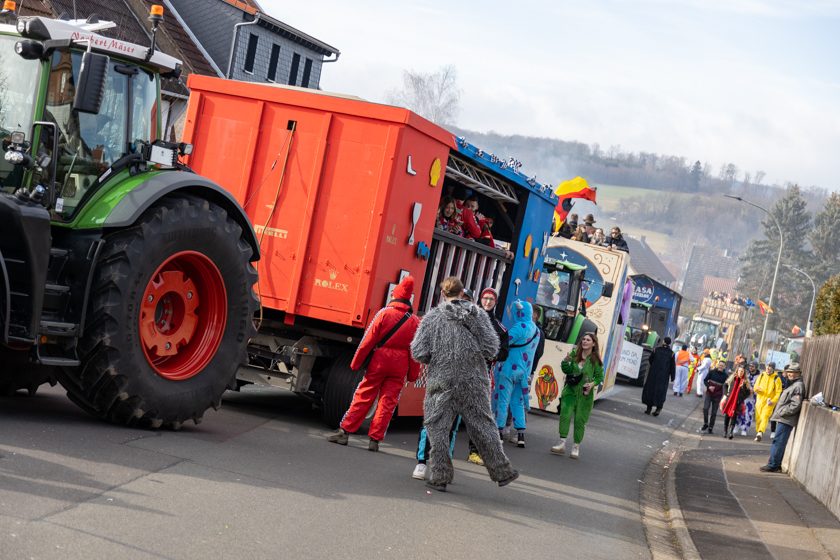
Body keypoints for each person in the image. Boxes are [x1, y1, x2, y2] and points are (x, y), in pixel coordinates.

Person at [410, 276, 518, 492]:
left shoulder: (432, 318)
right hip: (474, 379)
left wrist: (437, 357)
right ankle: (502, 470)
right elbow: (491, 348)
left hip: (441, 378)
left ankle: (440, 475)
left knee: (437, 426)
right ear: (462, 293)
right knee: (482, 424)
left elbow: (418, 351)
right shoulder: (477, 315)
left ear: (442, 294)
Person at [327, 276, 420, 451]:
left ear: (395, 295)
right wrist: (413, 375)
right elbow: (415, 350)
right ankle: (375, 440)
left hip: (379, 361)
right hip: (399, 365)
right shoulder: (414, 321)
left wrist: (356, 363)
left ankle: (345, 431)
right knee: (388, 402)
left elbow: (367, 341)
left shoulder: (384, 313)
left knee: (364, 395)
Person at [466, 287, 509, 465]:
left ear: (495, 302)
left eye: (491, 299)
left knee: (479, 415)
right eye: (485, 298)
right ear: (480, 300)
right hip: (461, 370)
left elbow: (505, 353)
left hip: (483, 374)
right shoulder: (469, 319)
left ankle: (474, 452)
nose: (488, 302)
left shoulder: (500, 328)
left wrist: (494, 354)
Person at [550, 332, 604, 459]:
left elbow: (599, 377)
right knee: (565, 415)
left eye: (588, 340)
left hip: (585, 395)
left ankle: (576, 447)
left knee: (580, 420)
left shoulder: (595, 360)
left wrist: (592, 384)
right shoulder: (575, 355)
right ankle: (562, 443)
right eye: (583, 339)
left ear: (593, 343)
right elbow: (567, 370)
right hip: (570, 391)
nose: (585, 341)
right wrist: (565, 361)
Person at [494, 300, 539, 448]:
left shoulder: (519, 327)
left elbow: (503, 342)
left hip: (508, 369)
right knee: (517, 402)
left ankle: (499, 431)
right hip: (524, 371)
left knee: (503, 400)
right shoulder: (536, 330)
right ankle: (520, 434)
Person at [761, 363, 805, 472]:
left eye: (793, 372)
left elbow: (795, 405)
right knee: (779, 441)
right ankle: (776, 464)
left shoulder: (798, 386)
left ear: (798, 374)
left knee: (779, 442)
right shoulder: (793, 384)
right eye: (789, 372)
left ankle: (773, 465)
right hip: (784, 418)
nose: (791, 374)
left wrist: (782, 412)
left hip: (786, 419)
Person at [642, 337, 676, 416]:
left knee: (650, 390)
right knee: (661, 392)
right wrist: (673, 377)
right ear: (670, 343)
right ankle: (658, 409)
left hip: (653, 374)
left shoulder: (656, 350)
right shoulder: (671, 353)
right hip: (663, 377)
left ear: (663, 341)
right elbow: (672, 366)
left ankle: (648, 409)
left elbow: (650, 360)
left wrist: (654, 366)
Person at [753, 361, 783, 442]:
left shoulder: (777, 378)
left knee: (765, 416)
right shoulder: (762, 375)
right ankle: (758, 432)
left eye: (770, 368)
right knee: (758, 417)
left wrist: (773, 401)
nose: (768, 369)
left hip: (769, 402)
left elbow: (778, 392)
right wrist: (757, 389)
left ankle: (760, 432)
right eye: (767, 368)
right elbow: (755, 386)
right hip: (759, 400)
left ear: (773, 369)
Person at [721, 365, 753, 439]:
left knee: (734, 416)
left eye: (742, 371)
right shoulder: (732, 378)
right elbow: (725, 385)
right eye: (739, 371)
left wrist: (741, 398)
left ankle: (731, 432)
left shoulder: (745, 381)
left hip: (737, 402)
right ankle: (725, 431)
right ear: (737, 371)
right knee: (727, 416)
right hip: (730, 400)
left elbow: (748, 392)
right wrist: (726, 394)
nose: (740, 372)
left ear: (744, 372)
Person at [700, 360, 728, 434]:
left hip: (717, 395)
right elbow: (705, 380)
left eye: (722, 366)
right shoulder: (712, 372)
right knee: (705, 408)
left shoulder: (725, 376)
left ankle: (711, 427)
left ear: (724, 367)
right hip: (709, 393)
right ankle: (706, 423)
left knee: (714, 413)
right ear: (717, 365)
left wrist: (725, 395)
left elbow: (727, 386)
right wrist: (709, 386)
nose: (720, 367)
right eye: (720, 365)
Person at [736, 362, 760, 436]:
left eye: (752, 366)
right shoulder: (746, 374)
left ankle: (745, 429)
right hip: (743, 396)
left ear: (756, 367)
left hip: (752, 398)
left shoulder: (759, 377)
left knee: (748, 413)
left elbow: (761, 387)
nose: (750, 368)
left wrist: (754, 390)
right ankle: (736, 426)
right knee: (739, 412)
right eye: (750, 366)